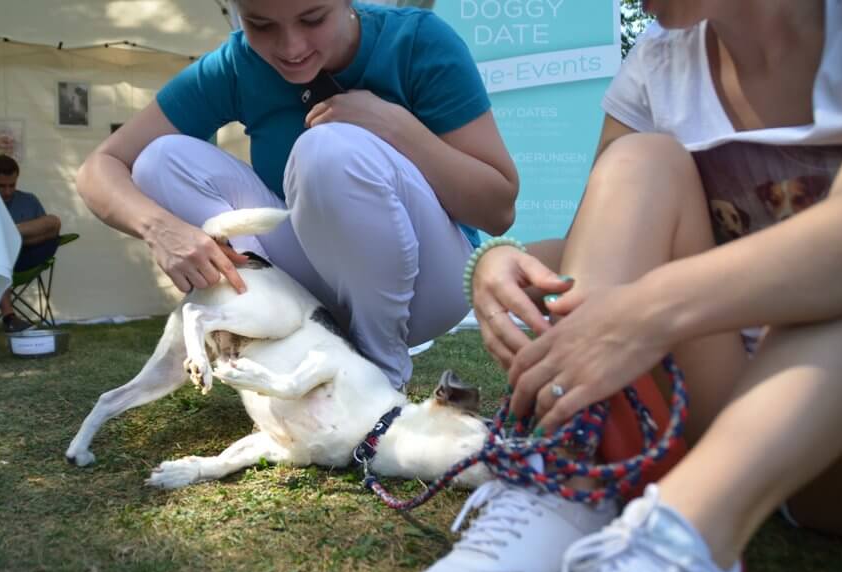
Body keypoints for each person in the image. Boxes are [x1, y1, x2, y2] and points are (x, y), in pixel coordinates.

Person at [380, 0, 842, 572]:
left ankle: (685, 540)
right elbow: (596, 250)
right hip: (729, 411)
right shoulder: (660, 59)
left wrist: (653, 309)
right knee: (638, 163)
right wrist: (499, 261)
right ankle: (572, 480)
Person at [74, 0, 519, 390]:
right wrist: (161, 229)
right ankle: (285, 346)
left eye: (312, 18)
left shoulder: (416, 41)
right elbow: (101, 167)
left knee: (327, 148)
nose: (290, 47)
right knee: (160, 160)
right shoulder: (238, 64)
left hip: (432, 284)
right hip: (317, 287)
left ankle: (382, 373)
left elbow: (498, 210)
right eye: (261, 24)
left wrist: (395, 127)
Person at [0, 154, 62, 332]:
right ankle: (9, 318)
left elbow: (51, 229)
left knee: (53, 221)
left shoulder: (29, 200)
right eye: (1, 186)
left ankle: (7, 234)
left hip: (30, 255)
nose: (8, 191)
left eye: (12, 185)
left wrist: (10, 233)